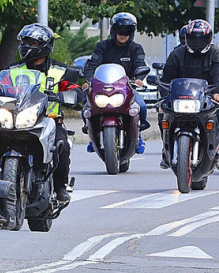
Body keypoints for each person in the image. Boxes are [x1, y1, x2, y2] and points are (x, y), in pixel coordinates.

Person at [11, 23, 83, 203]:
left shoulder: (60, 71)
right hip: (18, 120)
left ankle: (60, 187)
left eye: (33, 43)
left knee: (62, 145)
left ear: (45, 45)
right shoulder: (13, 70)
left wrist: (71, 95)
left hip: (49, 121)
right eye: (25, 41)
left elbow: (74, 89)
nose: (27, 46)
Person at [82, 12, 149, 153]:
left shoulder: (136, 48)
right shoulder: (102, 46)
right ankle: (92, 135)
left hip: (126, 88)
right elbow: (92, 64)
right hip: (102, 88)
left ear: (132, 33)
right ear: (114, 31)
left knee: (141, 107)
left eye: (127, 32)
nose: (123, 35)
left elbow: (139, 64)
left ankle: (139, 135)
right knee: (86, 109)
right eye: (120, 31)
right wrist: (88, 81)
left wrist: (138, 79)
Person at [159, 19, 219, 169]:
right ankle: (166, 149)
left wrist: (217, 92)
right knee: (163, 114)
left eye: (201, 40)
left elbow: (218, 76)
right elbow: (166, 79)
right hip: (182, 100)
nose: (197, 43)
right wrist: (164, 96)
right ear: (186, 38)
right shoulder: (177, 54)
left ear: (209, 39)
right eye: (193, 39)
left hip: (207, 99)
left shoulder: (215, 54)